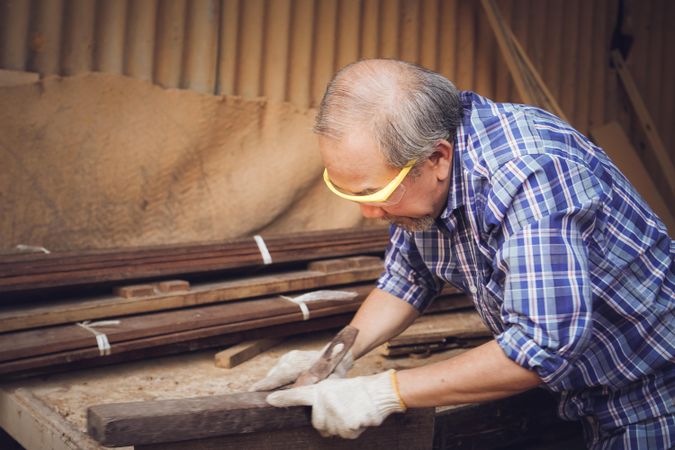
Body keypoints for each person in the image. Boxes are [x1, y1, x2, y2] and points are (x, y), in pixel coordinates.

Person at [252, 59, 674, 449]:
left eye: (375, 193)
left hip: (653, 388)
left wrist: (383, 392)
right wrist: (334, 357)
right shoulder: (423, 176)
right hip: (576, 389)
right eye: (348, 191)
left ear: (437, 156)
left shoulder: (531, 173)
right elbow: (407, 278)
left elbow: (541, 344)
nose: (367, 212)